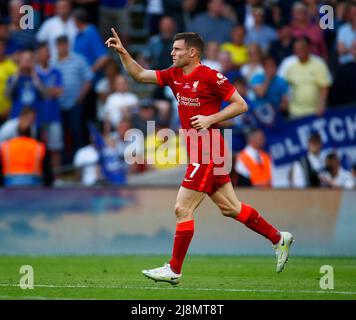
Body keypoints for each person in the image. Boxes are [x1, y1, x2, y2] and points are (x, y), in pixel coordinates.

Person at [106, 28, 294, 284]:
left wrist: (211, 119)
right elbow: (139, 74)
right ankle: (278, 238)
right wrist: (123, 53)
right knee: (231, 208)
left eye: (177, 49)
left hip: (208, 151)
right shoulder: (173, 75)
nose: (172, 53)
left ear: (192, 52)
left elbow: (241, 104)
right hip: (199, 150)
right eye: (172, 49)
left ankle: (174, 269)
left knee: (182, 208)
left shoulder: (211, 77)